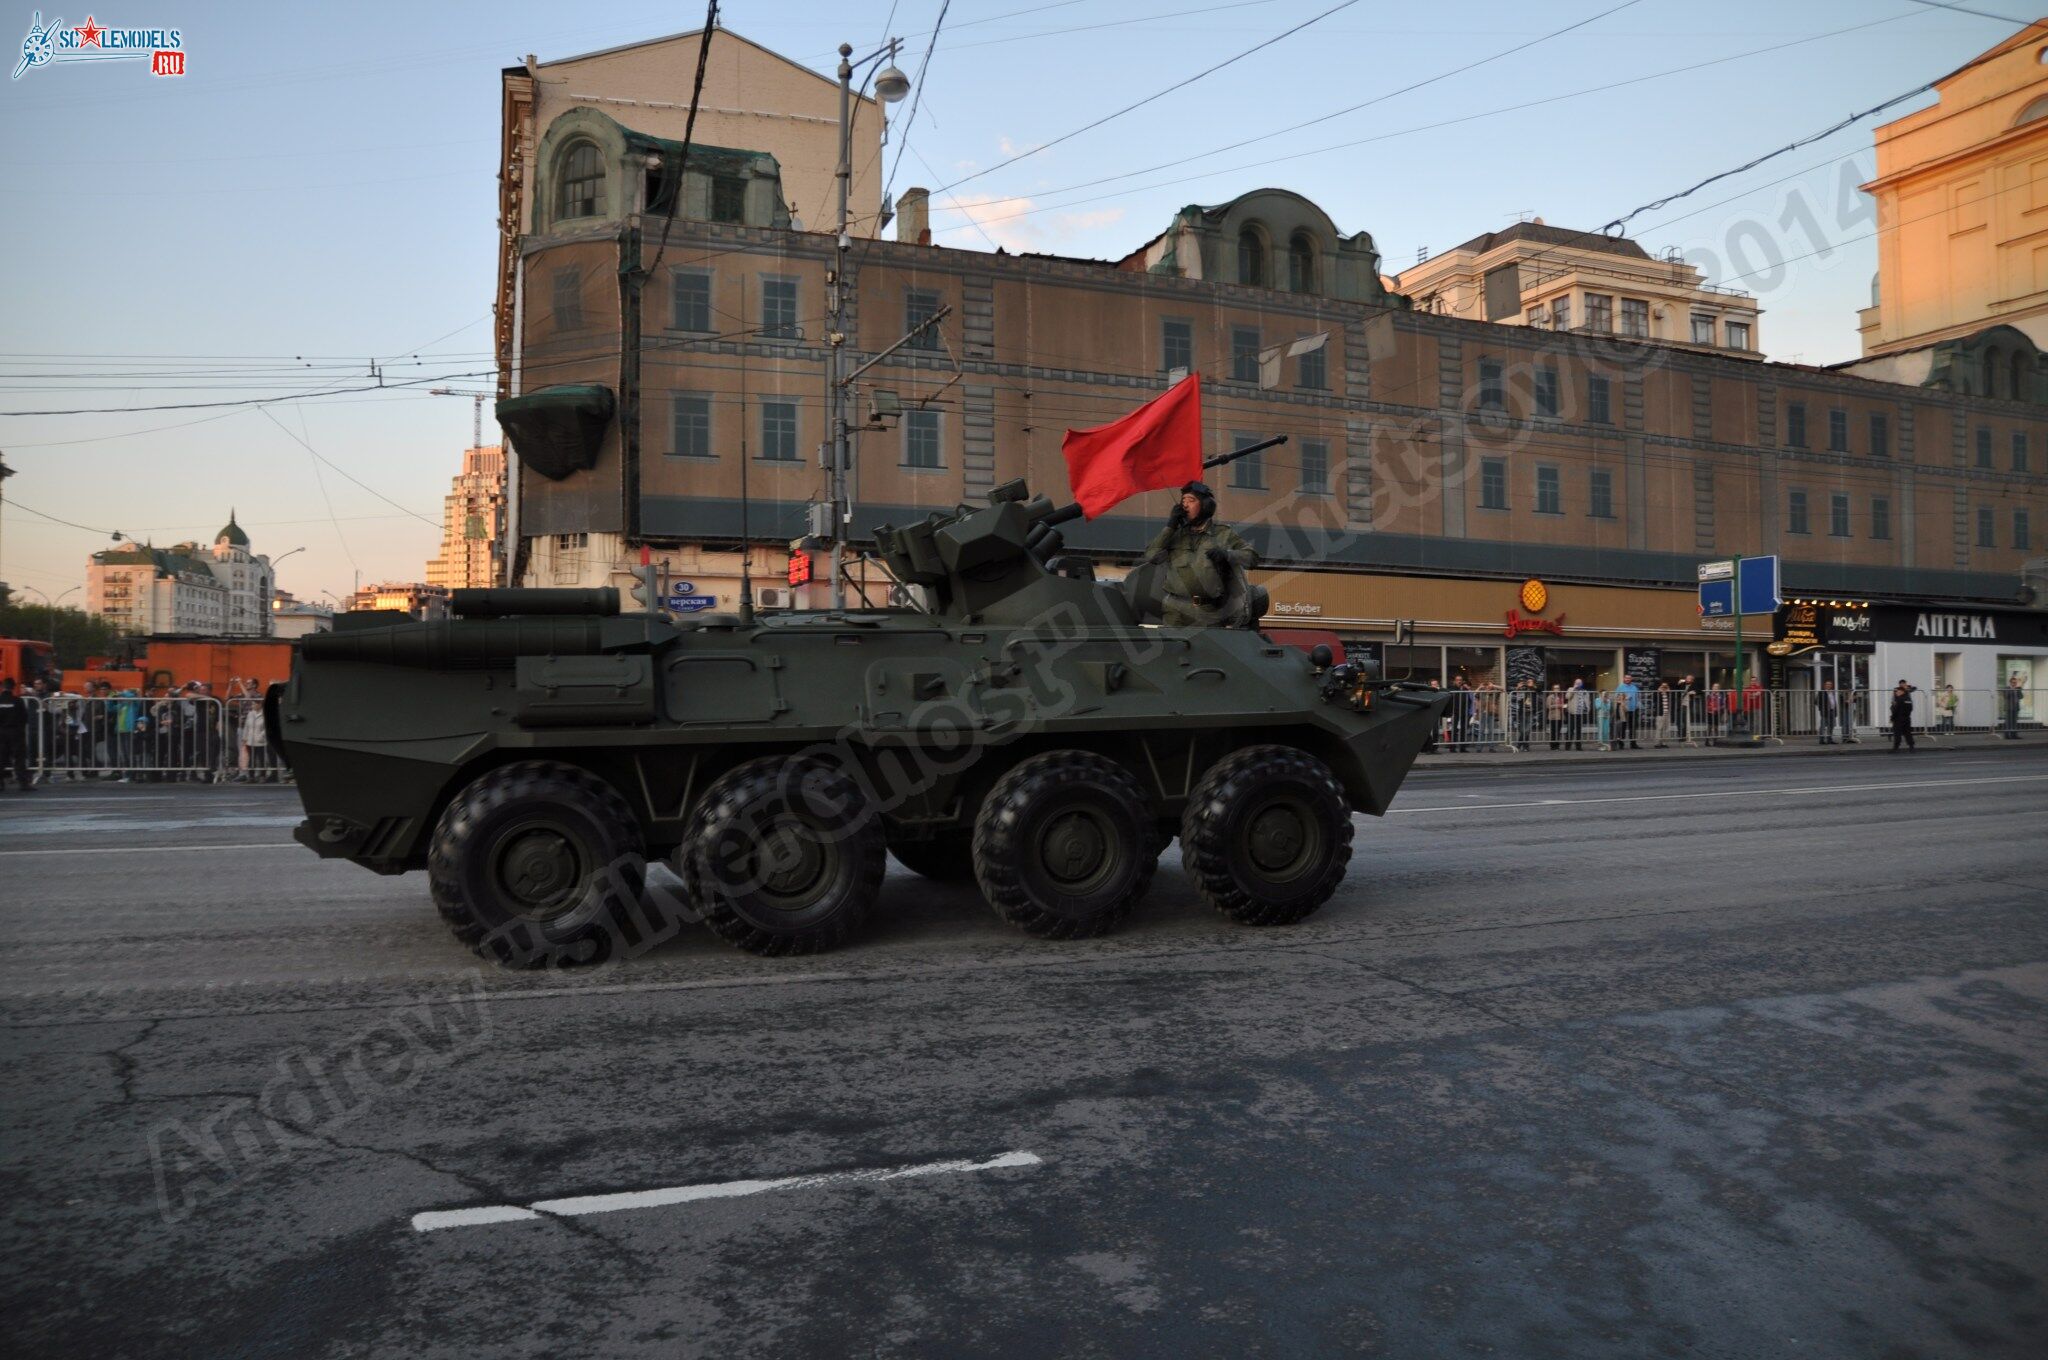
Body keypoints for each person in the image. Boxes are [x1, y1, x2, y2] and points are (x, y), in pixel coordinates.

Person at [1142, 480, 1257, 627]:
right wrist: (1170, 526)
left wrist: (1227, 555)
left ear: (1205, 506)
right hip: (1175, 610)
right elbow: (1152, 556)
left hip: (1207, 611)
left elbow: (1252, 558)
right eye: (1183, 500)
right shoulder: (1174, 535)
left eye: (1191, 500)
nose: (1185, 505)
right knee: (1172, 648)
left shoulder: (1223, 534)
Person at [0, 679, 34, 792]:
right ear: (13, 688)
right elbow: (24, 717)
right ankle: (23, 784)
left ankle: (1, 784)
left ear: (2, 687)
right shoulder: (17, 701)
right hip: (16, 733)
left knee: (1, 758)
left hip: (1, 733)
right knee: (19, 759)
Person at [1889, 680, 1918, 752]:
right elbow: (1911, 708)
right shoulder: (1908, 699)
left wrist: (1892, 718)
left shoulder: (1899, 700)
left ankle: (1896, 748)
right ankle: (1911, 746)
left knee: (1897, 733)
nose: (1896, 693)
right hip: (1907, 718)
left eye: (1898, 692)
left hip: (1898, 719)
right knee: (1908, 733)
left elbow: (1895, 710)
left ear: (1902, 692)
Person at [1614, 674, 1641, 749]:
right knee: (1622, 726)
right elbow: (1616, 697)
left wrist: (1639, 705)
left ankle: (1633, 744)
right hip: (1623, 709)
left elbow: (1638, 697)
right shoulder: (1620, 687)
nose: (1628, 679)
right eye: (1626, 678)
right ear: (1624, 679)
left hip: (1633, 709)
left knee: (1633, 727)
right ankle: (1621, 743)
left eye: (1629, 678)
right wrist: (1625, 699)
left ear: (1631, 679)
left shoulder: (1634, 687)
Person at [1814, 679, 1842, 745]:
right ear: (1824, 685)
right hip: (1825, 711)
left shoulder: (1832, 692)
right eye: (1827, 684)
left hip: (1832, 711)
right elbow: (1816, 701)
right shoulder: (1821, 692)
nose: (1828, 686)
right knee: (1823, 725)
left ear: (1831, 686)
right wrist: (1822, 708)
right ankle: (1821, 740)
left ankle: (1829, 739)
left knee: (1831, 726)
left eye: (1830, 684)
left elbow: (1834, 702)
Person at [1567, 678, 1590, 750]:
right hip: (1573, 712)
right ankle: (1568, 746)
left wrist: (1588, 708)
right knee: (1570, 729)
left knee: (1579, 730)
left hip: (1580, 713)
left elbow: (1588, 701)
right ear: (1574, 683)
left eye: (1580, 683)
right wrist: (1574, 689)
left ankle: (1578, 746)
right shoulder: (1571, 689)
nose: (1579, 684)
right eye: (1577, 683)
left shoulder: (1584, 691)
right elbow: (1567, 697)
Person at [2003, 673, 2025, 740]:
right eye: (2013, 682)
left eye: (2015, 683)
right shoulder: (2007, 688)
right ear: (2010, 683)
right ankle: (2007, 735)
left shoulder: (2018, 688)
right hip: (2009, 708)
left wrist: (2019, 690)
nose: (2014, 684)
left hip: (2016, 708)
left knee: (2014, 723)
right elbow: (2006, 696)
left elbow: (2021, 697)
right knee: (2008, 722)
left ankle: (2014, 735)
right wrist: (2012, 689)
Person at [1546, 683, 1566, 750]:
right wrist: (1558, 705)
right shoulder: (1550, 697)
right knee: (1553, 731)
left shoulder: (1560, 697)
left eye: (1558, 688)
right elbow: (1548, 706)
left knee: (1558, 731)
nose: (1557, 689)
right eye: (1555, 688)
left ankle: (1557, 745)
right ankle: (1552, 745)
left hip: (1560, 716)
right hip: (1553, 716)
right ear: (1553, 690)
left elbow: (1562, 705)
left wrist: (1564, 706)